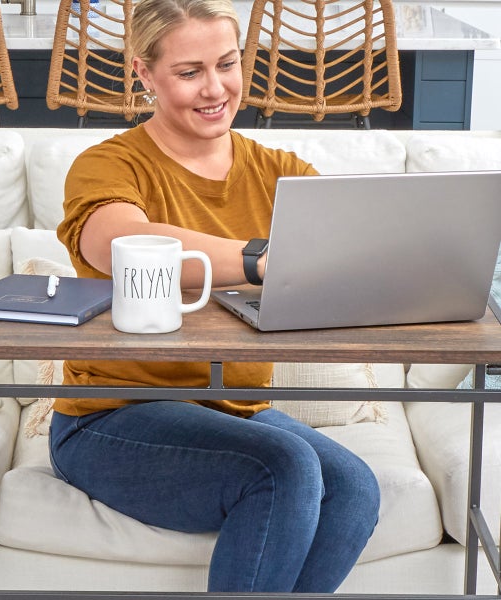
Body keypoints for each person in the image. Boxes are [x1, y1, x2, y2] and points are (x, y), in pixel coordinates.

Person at [51, 0, 380, 592]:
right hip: (112, 417)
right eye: (188, 72)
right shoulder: (108, 164)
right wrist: (262, 260)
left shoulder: (283, 172)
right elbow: (120, 241)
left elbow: (350, 251)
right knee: (282, 467)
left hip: (234, 408)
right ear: (143, 74)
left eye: (227, 64)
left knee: (354, 488)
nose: (215, 88)